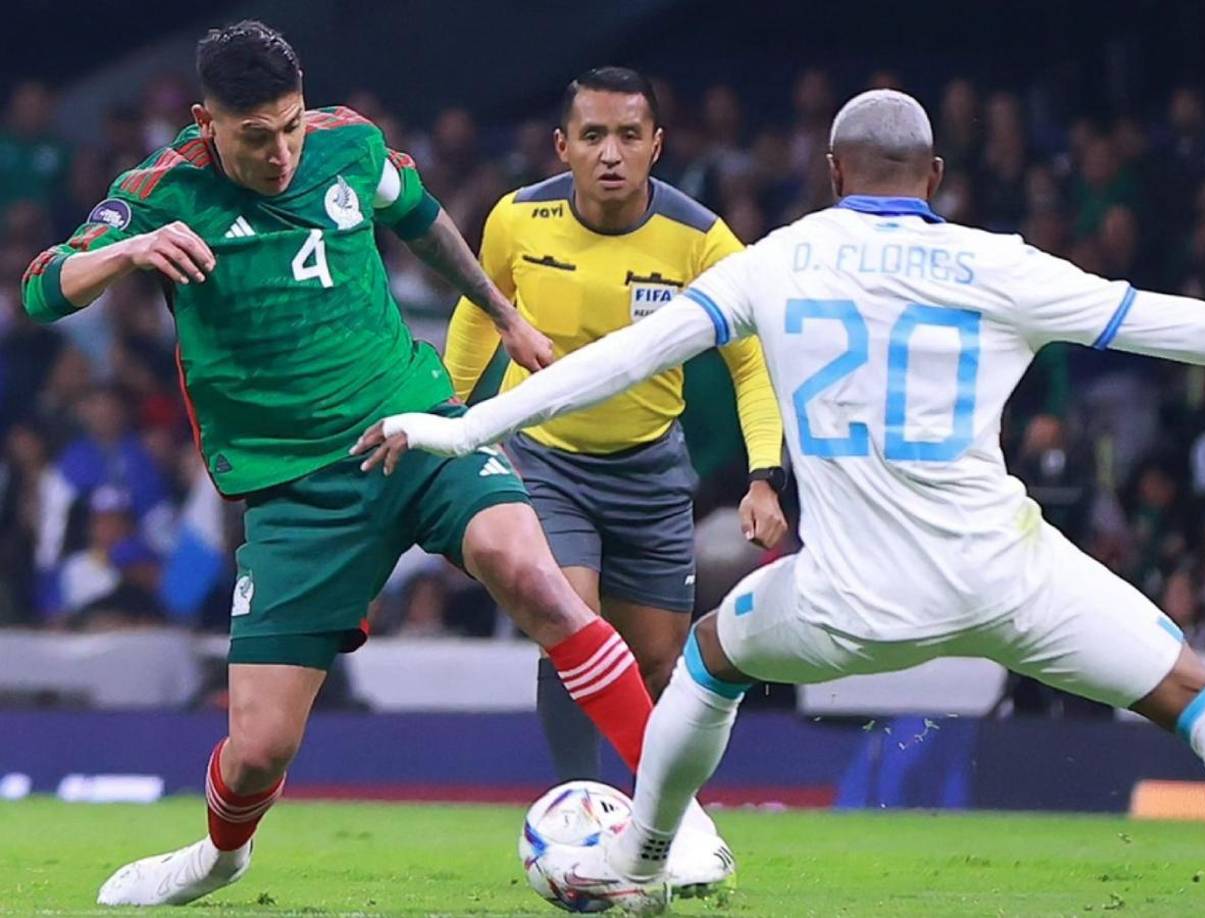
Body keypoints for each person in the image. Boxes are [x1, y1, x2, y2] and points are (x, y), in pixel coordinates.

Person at [357, 89, 1205, 911]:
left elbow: (622, 359)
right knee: (1197, 695)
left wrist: (470, 428)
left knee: (708, 659)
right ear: (935, 176)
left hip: (848, 599)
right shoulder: (1001, 263)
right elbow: (1169, 322)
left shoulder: (777, 260)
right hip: (1015, 579)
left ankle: (642, 859)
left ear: (834, 173)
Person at [21, 20, 721, 908]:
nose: (280, 154)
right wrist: (124, 252)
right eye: (254, 137)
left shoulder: (346, 142)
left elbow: (422, 222)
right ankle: (219, 857)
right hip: (295, 487)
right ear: (207, 122)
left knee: (533, 575)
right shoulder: (160, 192)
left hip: (414, 425)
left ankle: (679, 824)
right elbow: (41, 288)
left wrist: (501, 313)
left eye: (289, 125)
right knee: (260, 748)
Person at [443, 66, 785, 782]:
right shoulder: (515, 218)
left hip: (651, 469)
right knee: (571, 624)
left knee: (658, 661)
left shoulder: (703, 242)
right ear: (561, 145)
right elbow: (482, 309)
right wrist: (450, 418)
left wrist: (764, 478)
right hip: (545, 460)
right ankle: (579, 806)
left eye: (628, 135)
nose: (610, 153)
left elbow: (754, 367)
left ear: (656, 145)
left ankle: (653, 827)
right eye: (592, 135)